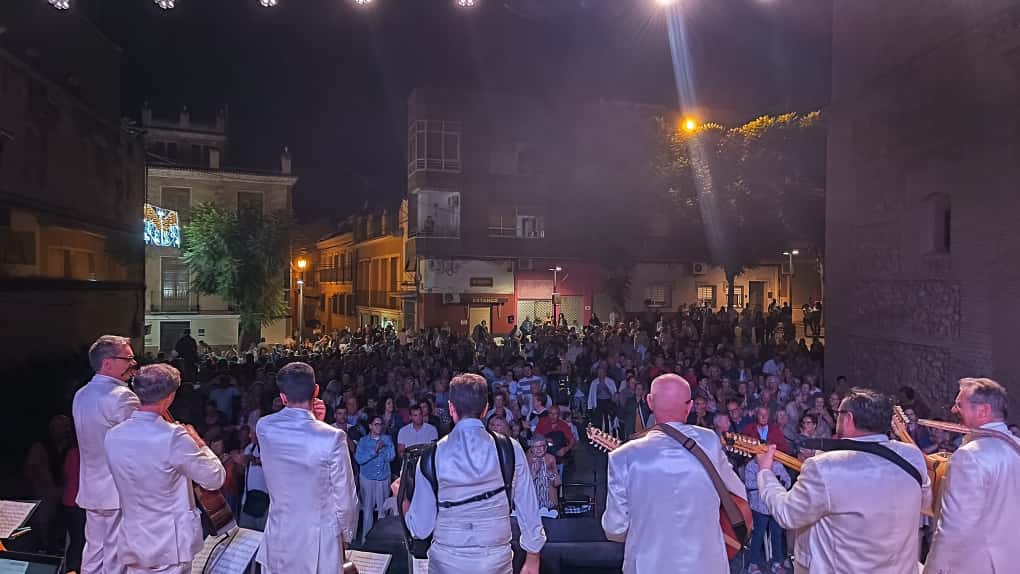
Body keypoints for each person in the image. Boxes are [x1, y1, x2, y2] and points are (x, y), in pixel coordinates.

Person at [756, 387, 930, 574]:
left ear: (848, 419)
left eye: (838, 414)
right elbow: (925, 503)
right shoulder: (912, 456)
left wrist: (765, 472)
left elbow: (787, 513)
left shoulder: (825, 467)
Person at [602, 374, 746, 573]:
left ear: (649, 402)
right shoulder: (710, 442)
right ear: (690, 406)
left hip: (649, 566)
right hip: (706, 565)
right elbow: (739, 494)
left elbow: (615, 527)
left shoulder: (622, 457)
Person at [404, 373, 545, 574]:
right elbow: (528, 507)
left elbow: (420, 529)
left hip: (446, 563)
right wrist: (533, 555)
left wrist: (403, 501)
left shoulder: (432, 455)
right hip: (495, 564)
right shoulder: (510, 449)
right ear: (486, 408)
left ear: (451, 408)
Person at [105, 364, 225, 574]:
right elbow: (214, 478)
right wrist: (198, 443)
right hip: (169, 544)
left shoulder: (113, 435)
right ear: (170, 397)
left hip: (133, 538)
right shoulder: (173, 437)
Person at [255, 362, 358, 574]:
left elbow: (296, 439)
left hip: (278, 540)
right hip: (320, 545)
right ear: (316, 391)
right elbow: (345, 498)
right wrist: (346, 536)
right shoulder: (333, 438)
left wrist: (315, 421)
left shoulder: (264, 427)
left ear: (283, 397)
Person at [924, 378, 1020, 574]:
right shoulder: (1016, 445)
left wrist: (932, 569)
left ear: (983, 410)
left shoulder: (969, 456)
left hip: (976, 565)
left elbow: (954, 527)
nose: (953, 410)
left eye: (959, 405)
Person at [73, 335, 140, 574]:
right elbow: (138, 444)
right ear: (107, 363)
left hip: (92, 488)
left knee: (93, 554)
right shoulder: (123, 396)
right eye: (128, 358)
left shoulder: (81, 393)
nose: (133, 363)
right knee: (115, 558)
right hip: (117, 490)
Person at [355, 415, 396, 543]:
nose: (379, 427)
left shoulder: (387, 439)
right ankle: (366, 540)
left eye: (380, 424)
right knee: (367, 509)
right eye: (376, 424)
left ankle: (381, 541)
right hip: (367, 477)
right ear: (370, 426)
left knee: (382, 510)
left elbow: (392, 456)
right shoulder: (363, 441)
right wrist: (375, 450)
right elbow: (359, 459)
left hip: (383, 477)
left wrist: (381, 452)